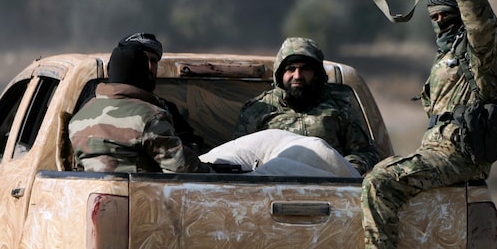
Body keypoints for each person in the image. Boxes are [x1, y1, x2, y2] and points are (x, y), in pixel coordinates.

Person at [361, 0, 497, 249]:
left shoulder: (482, 52)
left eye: (446, 14)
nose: (440, 21)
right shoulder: (445, 59)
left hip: (461, 155)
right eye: (434, 18)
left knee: (380, 181)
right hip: (439, 152)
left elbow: (480, 23)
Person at [232, 36, 382, 175]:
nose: (297, 76)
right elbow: (238, 158)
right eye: (291, 69)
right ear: (280, 74)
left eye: (305, 69)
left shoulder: (340, 105)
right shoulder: (258, 110)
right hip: (272, 188)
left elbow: (366, 154)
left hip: (330, 188)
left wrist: (342, 170)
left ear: (316, 73)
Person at [69, 42, 209, 173]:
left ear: (109, 70)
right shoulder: (150, 117)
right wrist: (214, 172)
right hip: (140, 197)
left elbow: (77, 168)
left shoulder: (79, 117)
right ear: (144, 73)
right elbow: (181, 169)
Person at [120, 32, 210, 153]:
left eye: (154, 61)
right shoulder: (102, 106)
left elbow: (188, 148)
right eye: (143, 60)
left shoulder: (166, 109)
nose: (149, 67)